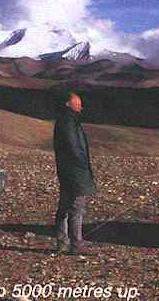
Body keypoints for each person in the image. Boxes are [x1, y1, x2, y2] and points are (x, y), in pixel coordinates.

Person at [53, 91, 96, 255]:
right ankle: (76, 244)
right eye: (77, 104)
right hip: (75, 171)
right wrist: (82, 166)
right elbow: (74, 147)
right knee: (76, 207)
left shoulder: (64, 120)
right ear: (68, 104)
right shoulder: (69, 122)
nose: (81, 107)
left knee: (64, 206)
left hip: (66, 169)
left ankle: (62, 241)